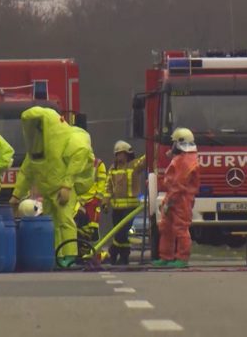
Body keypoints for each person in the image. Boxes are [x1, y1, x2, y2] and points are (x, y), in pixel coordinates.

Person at [10, 106, 95, 268]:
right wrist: (16, 195)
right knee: (51, 224)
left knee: (65, 221)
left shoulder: (68, 141)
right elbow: (26, 172)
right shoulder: (37, 149)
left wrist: (67, 186)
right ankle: (57, 255)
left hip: (62, 190)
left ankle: (69, 256)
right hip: (49, 192)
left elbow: (79, 157)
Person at [154, 128, 200, 269]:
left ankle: (182, 258)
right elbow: (171, 180)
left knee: (180, 228)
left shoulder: (186, 161)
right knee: (166, 227)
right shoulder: (181, 159)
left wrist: (170, 200)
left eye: (173, 143)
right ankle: (166, 256)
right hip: (174, 197)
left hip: (181, 199)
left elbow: (178, 184)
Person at [103, 141, 146, 265]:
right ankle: (124, 257)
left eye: (122, 154)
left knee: (121, 233)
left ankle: (113, 252)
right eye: (117, 154)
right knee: (120, 234)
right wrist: (105, 202)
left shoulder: (133, 165)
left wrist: (153, 146)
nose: (119, 157)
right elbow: (108, 187)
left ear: (128, 154)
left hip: (130, 208)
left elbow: (145, 160)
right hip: (116, 208)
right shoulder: (112, 169)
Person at [74, 157, 107, 242]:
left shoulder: (98, 164)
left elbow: (102, 181)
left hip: (91, 200)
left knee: (91, 230)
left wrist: (97, 198)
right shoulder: (74, 162)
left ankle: (92, 249)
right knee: (76, 228)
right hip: (77, 200)